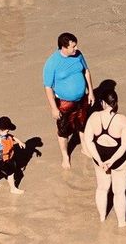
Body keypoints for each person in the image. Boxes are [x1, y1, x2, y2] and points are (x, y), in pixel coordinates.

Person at [43, 32, 96, 169]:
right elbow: (48, 87)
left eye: (76, 45)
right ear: (63, 47)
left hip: (82, 99)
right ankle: (65, 156)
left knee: (82, 123)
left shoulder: (78, 55)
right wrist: (54, 108)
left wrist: (90, 92)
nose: (76, 48)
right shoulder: (52, 63)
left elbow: (86, 71)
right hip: (64, 102)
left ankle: (84, 148)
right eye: (73, 46)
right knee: (64, 130)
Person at [83, 90, 126, 227]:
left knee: (102, 188)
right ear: (115, 103)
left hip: (100, 158)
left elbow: (88, 141)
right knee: (119, 191)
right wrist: (112, 161)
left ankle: (102, 217)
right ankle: (121, 222)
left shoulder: (94, 117)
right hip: (120, 161)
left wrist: (100, 161)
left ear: (102, 102)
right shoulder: (122, 120)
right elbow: (124, 145)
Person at [0, 116, 26, 194]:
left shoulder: (3, 134)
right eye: (7, 130)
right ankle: (13, 189)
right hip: (0, 160)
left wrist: (19, 141)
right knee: (10, 173)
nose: (8, 131)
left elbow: (11, 137)